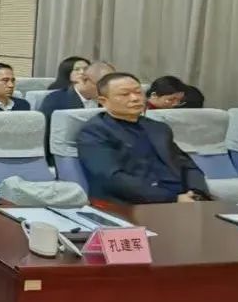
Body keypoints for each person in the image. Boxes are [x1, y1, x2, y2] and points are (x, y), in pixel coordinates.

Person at [77, 73, 210, 204]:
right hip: (130, 205)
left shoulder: (158, 128)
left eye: (138, 92)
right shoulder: (95, 131)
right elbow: (112, 179)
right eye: (125, 94)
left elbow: (187, 166)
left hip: (182, 201)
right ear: (103, 101)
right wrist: (173, 199)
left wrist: (196, 192)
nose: (135, 98)